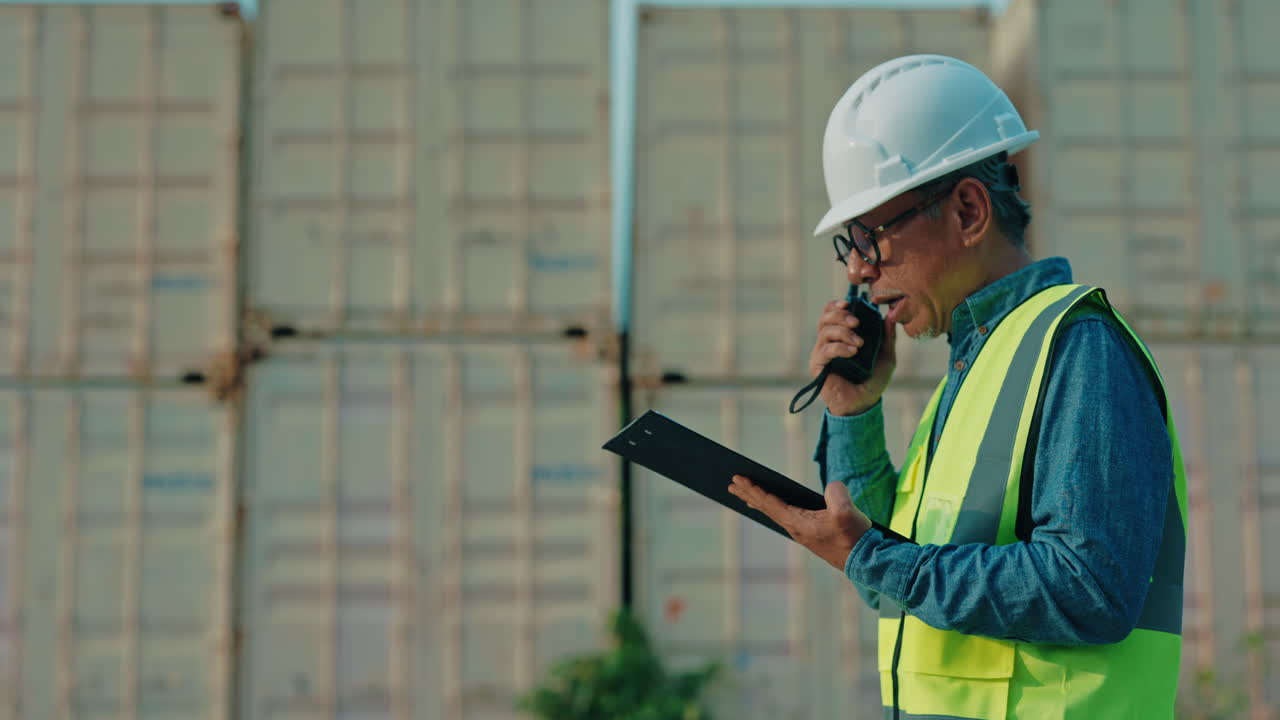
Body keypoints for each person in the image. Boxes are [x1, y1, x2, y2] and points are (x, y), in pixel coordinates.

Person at [726, 55, 1186, 719]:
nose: (857, 270)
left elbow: (1090, 588)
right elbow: (891, 582)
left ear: (968, 211)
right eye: (849, 245)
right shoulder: (974, 374)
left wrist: (873, 558)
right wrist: (855, 412)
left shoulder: (1079, 348)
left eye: (869, 237)